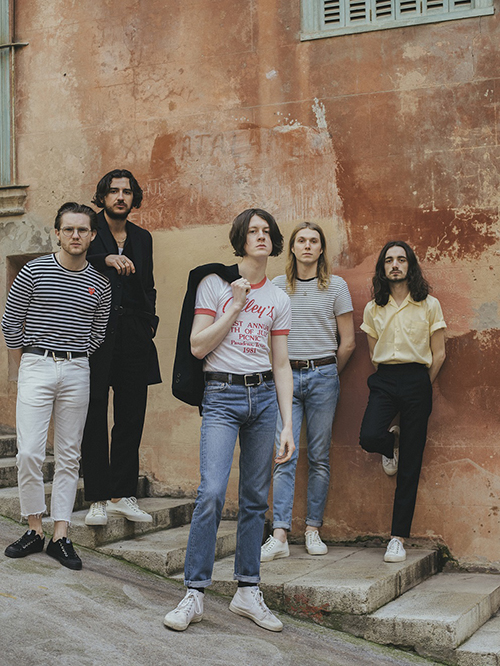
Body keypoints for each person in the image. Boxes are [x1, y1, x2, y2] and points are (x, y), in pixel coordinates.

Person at [164, 208, 294, 633]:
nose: (261, 237)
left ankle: (247, 590)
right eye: (252, 231)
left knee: (256, 499)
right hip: (221, 394)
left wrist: (287, 425)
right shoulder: (214, 284)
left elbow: (281, 364)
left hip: (264, 400)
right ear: (240, 240)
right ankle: (195, 593)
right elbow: (198, 346)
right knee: (212, 492)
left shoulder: (278, 298)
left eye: (266, 231)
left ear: (274, 241)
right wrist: (236, 306)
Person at [2, 202, 111, 569]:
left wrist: (75, 356)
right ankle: (34, 528)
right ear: (58, 233)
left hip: (77, 367)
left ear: (92, 236)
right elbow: (10, 321)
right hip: (37, 363)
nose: (75, 235)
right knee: (29, 453)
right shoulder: (34, 271)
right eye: (69, 229)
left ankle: (60, 535)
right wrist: (27, 362)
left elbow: (98, 333)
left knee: (69, 455)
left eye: (82, 230)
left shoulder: (100, 284)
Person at [261, 222, 355, 562]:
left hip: (323, 376)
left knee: (319, 456)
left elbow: (348, 342)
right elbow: (266, 334)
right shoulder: (277, 286)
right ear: (292, 247)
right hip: (285, 378)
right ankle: (280, 535)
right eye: (301, 240)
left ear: (321, 248)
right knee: (284, 454)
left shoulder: (336, 286)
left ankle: (313, 529)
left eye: (314, 241)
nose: (307, 246)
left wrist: (327, 374)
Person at [81, 169, 161, 526]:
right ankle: (97, 497)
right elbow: (73, 260)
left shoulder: (142, 238)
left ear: (133, 198)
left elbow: (148, 285)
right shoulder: (88, 229)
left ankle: (122, 495)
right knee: (94, 415)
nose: (120, 197)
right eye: (113, 191)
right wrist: (105, 259)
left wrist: (149, 323)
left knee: (131, 417)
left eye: (126, 192)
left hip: (133, 335)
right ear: (103, 196)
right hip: (95, 336)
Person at [359, 241, 446, 563]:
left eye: (401, 259)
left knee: (410, 462)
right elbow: (372, 352)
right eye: (389, 260)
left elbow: (439, 353)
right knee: (369, 436)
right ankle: (388, 444)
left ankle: (397, 538)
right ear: (383, 268)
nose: (395, 265)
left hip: (417, 380)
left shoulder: (429, 305)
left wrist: (422, 384)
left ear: (410, 265)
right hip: (384, 378)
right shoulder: (373, 308)